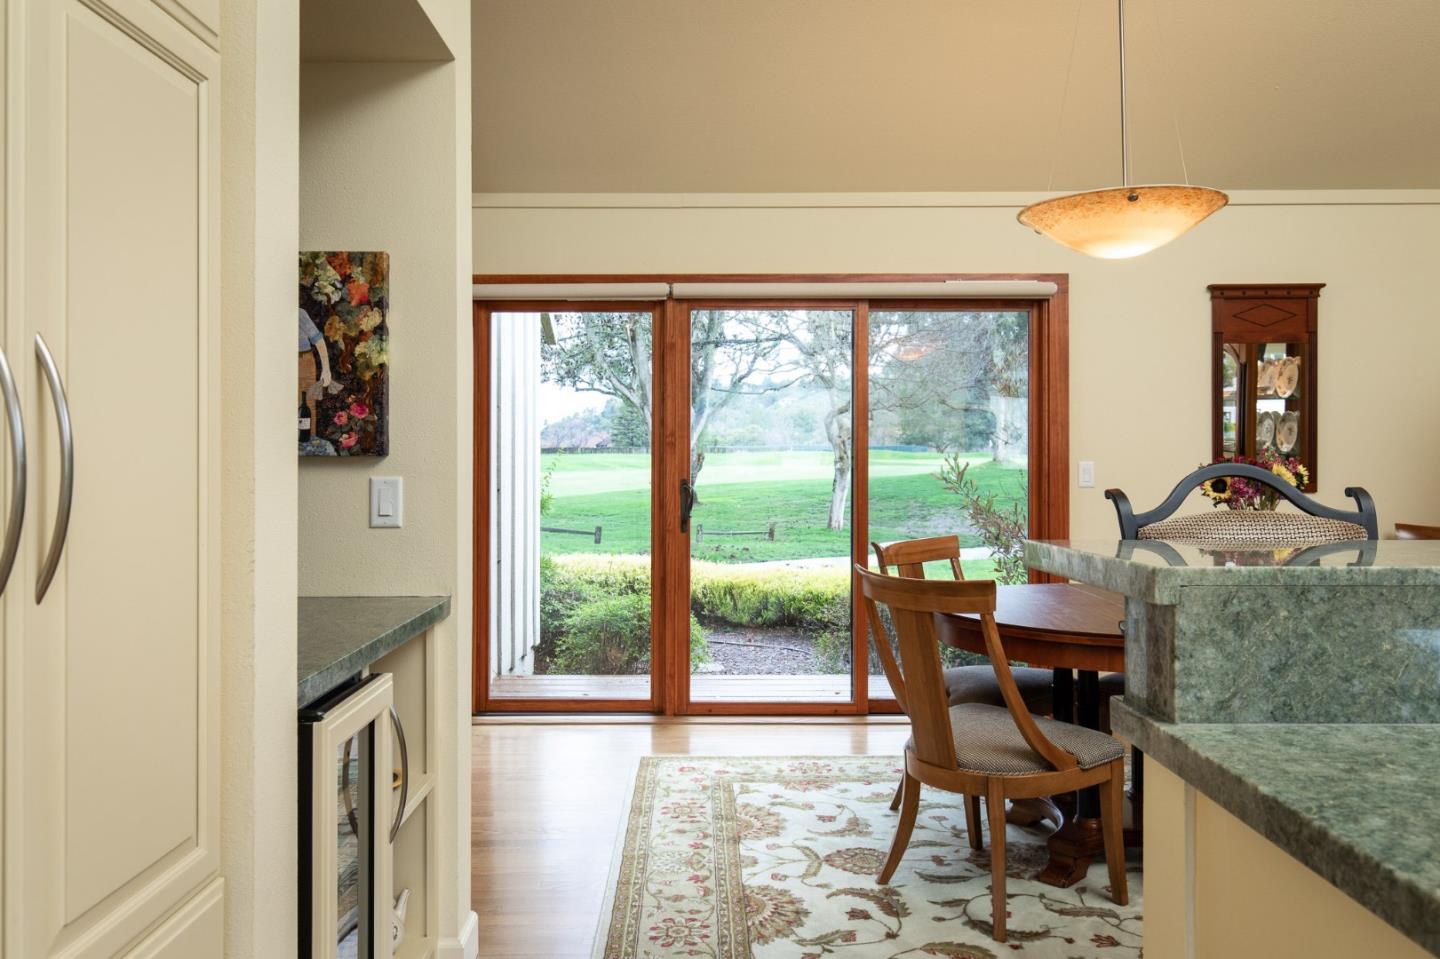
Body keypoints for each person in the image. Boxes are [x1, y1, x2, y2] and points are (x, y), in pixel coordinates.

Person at [298, 307, 333, 435]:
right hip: (281, 362)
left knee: (307, 402)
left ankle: (309, 439)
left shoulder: (299, 313)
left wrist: (326, 370)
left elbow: (318, 340)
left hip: (303, 360)